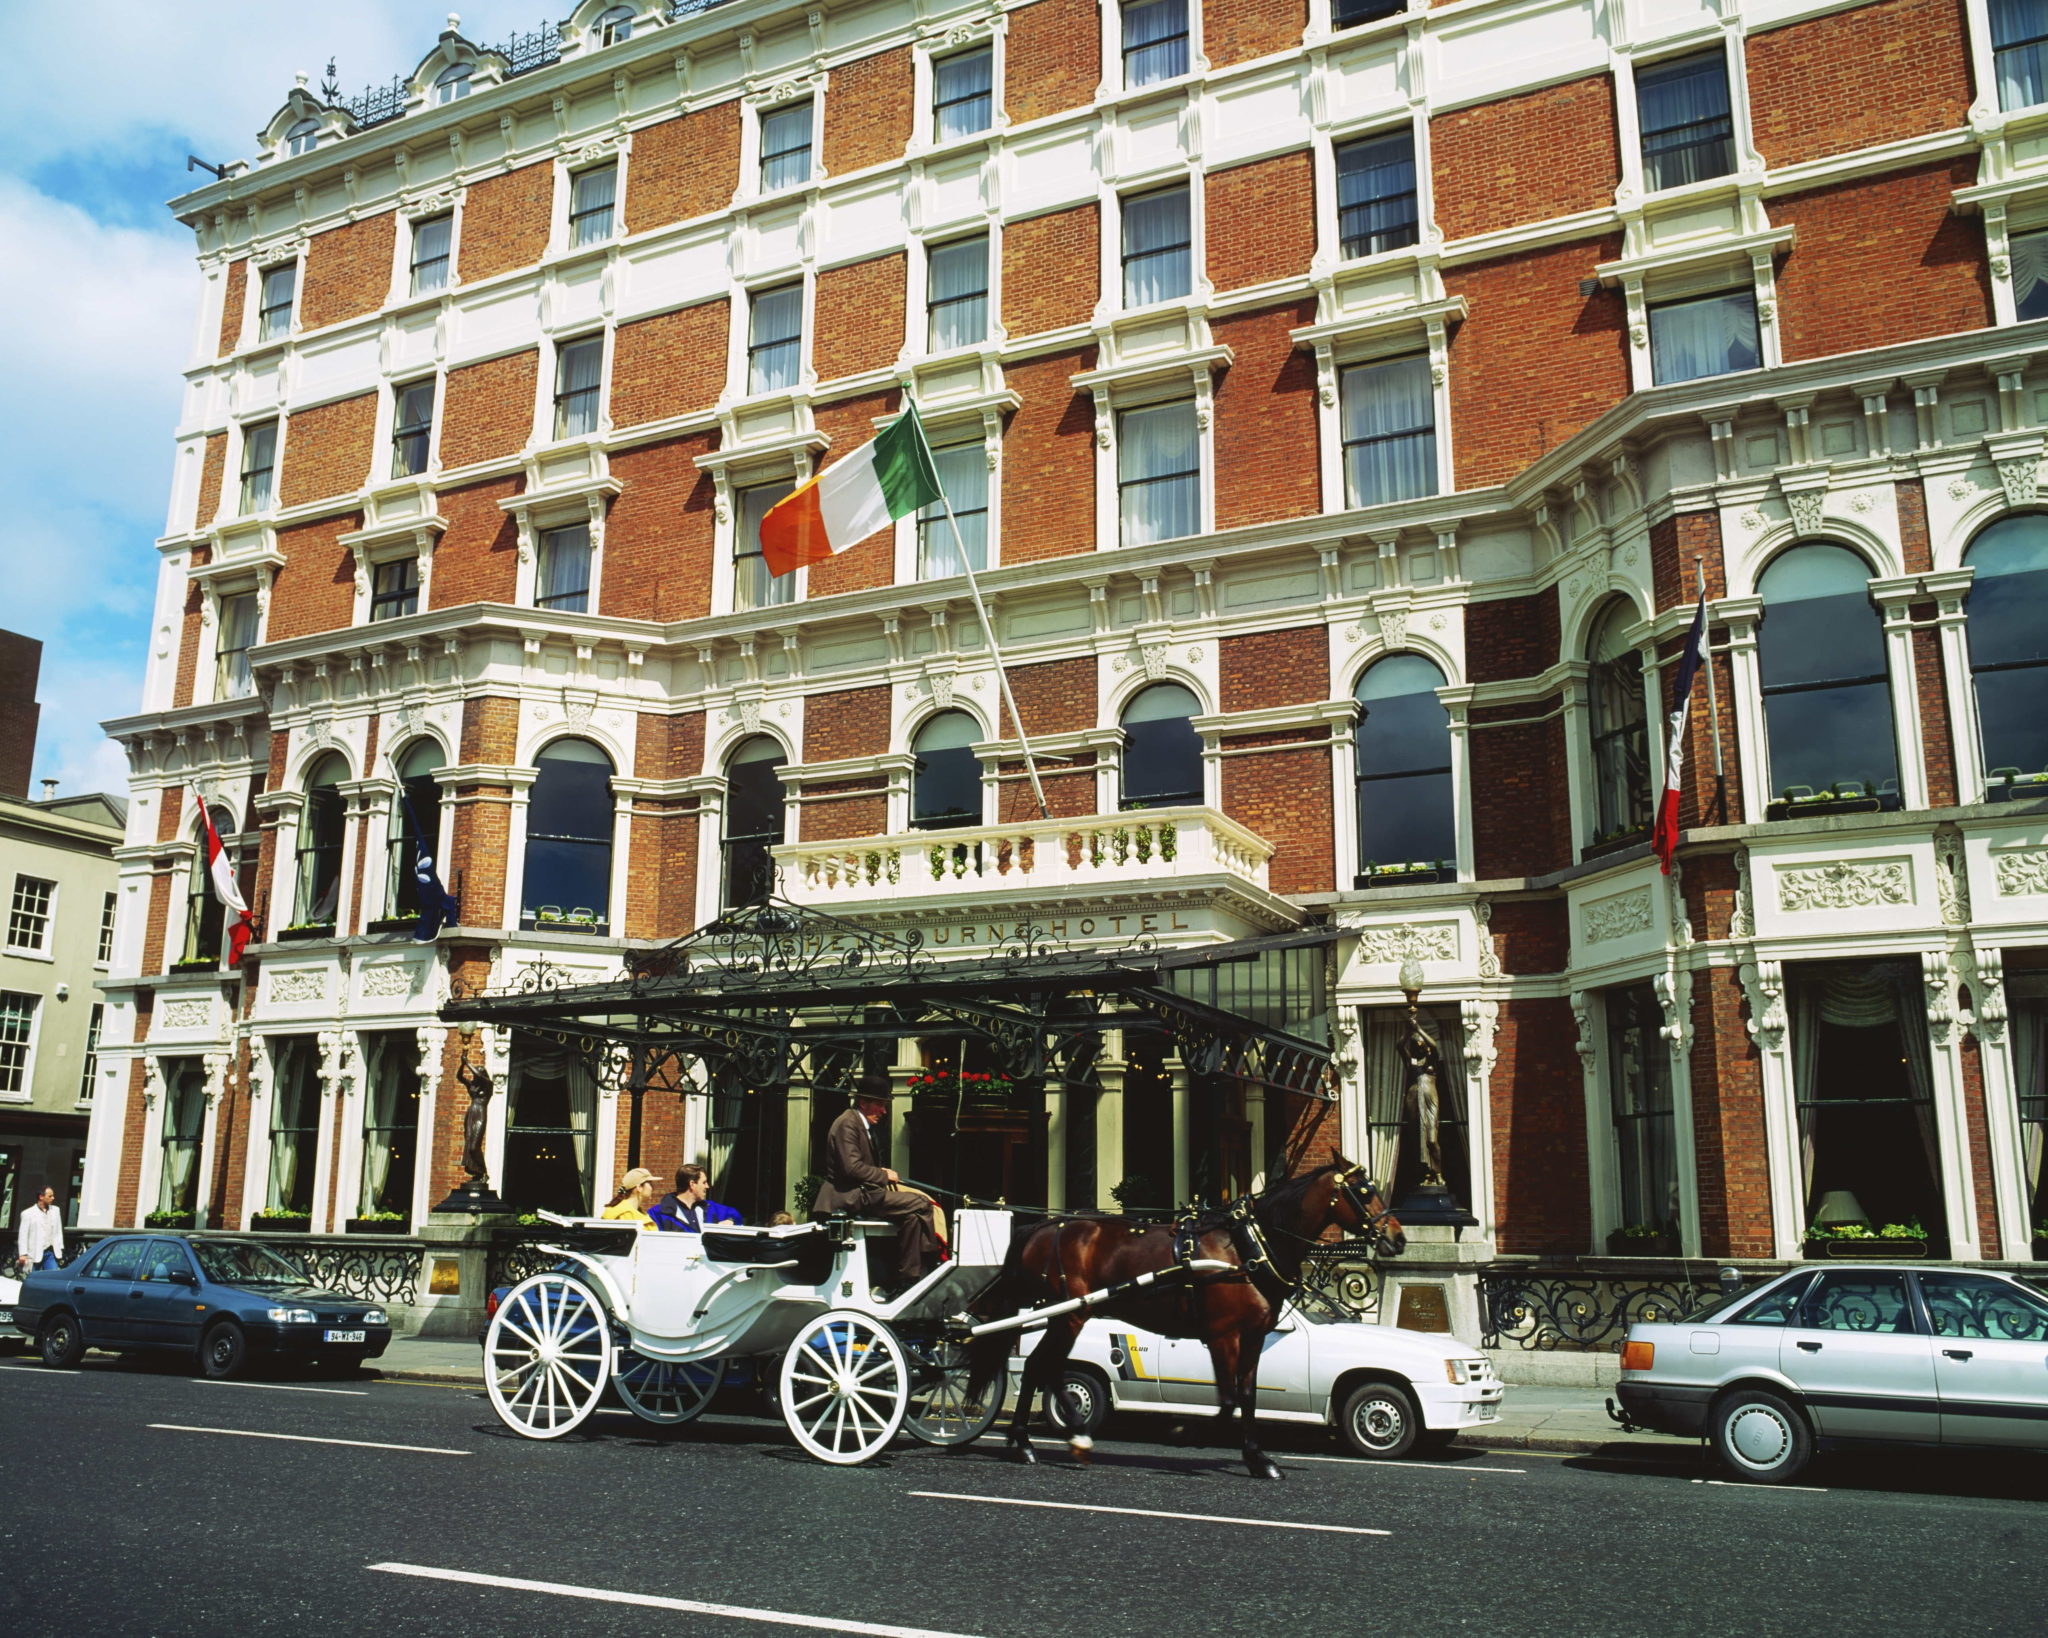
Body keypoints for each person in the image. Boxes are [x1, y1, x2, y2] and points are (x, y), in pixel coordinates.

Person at [812, 1074, 946, 1289]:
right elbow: (851, 1167)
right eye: (880, 1105)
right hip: (849, 1196)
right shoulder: (847, 1124)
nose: (884, 1111)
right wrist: (884, 1175)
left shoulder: (858, 1123)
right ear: (863, 1103)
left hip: (861, 1193)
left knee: (912, 1216)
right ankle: (933, 1259)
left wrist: (880, 1172)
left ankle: (909, 1278)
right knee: (921, 1203)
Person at [651, 1163, 743, 1233]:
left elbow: (736, 1215)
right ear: (692, 1184)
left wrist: (731, 1221)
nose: (707, 1186)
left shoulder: (710, 1207)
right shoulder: (658, 1213)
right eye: (704, 1182)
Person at [16, 1185, 62, 1273]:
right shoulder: (28, 1213)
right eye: (50, 1196)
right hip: (34, 1253)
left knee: (52, 1277)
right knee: (32, 1278)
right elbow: (23, 1236)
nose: (53, 1198)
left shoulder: (56, 1210)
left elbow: (58, 1230)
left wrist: (60, 1247)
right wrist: (23, 1254)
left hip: (51, 1252)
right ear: (41, 1197)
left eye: (53, 1196)